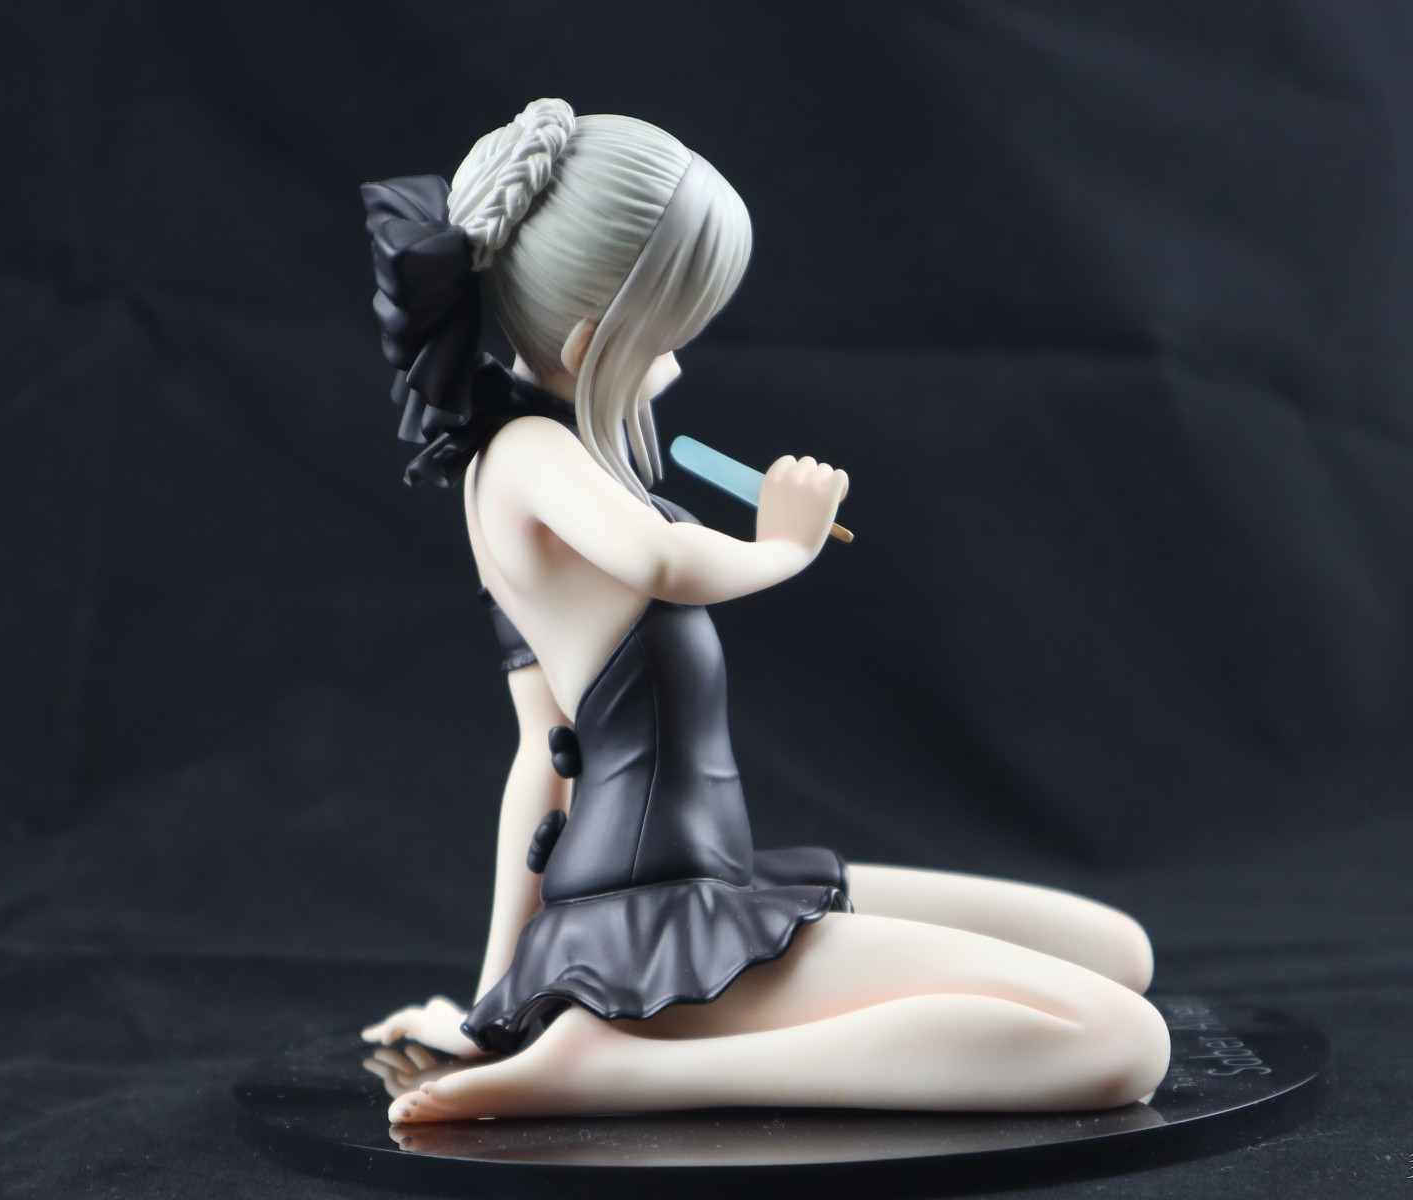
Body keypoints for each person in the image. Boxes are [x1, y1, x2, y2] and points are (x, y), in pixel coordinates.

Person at [358, 99, 1169, 1123]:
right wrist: (782, 546)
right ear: (596, 336)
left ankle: (597, 1047)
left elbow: (542, 762)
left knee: (1116, 952)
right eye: (672, 330)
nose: (682, 357)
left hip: (703, 880)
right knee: (1123, 1043)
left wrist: (490, 1008)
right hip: (654, 914)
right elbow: (663, 559)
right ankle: (615, 1073)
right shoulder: (526, 457)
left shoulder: (537, 460)